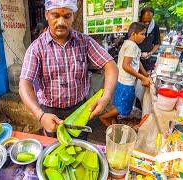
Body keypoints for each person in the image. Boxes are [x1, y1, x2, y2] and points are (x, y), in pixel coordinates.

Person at [19, 0, 118, 138]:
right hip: (49, 111)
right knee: (54, 150)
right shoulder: (36, 48)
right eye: (55, 15)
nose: (61, 22)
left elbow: (110, 65)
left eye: (67, 16)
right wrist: (40, 115)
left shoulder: (84, 42)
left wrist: (106, 97)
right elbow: (24, 84)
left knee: (80, 145)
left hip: (80, 108)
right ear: (47, 15)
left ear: (73, 16)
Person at [99, 22, 150, 125]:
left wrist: (145, 75)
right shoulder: (132, 46)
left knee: (118, 104)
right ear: (133, 34)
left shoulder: (129, 44)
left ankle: (113, 122)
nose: (144, 37)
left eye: (145, 34)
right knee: (123, 108)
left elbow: (137, 61)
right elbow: (126, 65)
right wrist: (142, 77)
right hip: (126, 82)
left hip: (121, 80)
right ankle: (103, 117)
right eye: (142, 34)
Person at [138, 7, 161, 71]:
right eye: (145, 21)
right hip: (135, 58)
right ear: (141, 17)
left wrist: (150, 53)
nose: (147, 23)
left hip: (147, 59)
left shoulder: (155, 27)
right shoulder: (136, 26)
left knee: (145, 76)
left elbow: (157, 43)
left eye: (149, 20)